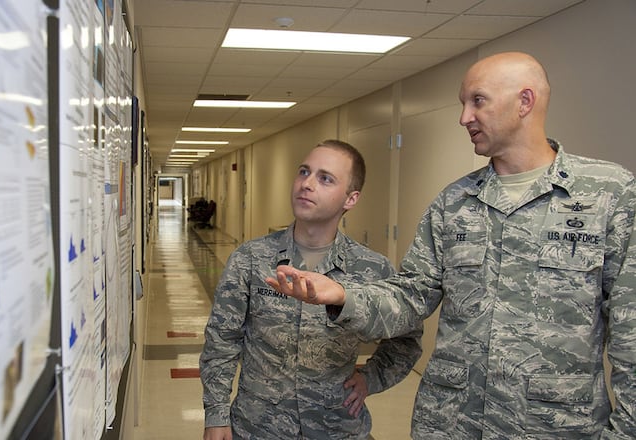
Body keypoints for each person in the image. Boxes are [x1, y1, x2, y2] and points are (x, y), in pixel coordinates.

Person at [266, 52, 636, 439]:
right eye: (463, 103)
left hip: (553, 425)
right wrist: (345, 296)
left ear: (525, 102)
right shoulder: (454, 202)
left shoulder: (607, 194)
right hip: (452, 423)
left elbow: (630, 331)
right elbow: (412, 297)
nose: (464, 117)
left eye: (478, 100)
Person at [199, 140, 423, 439]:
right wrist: (216, 414)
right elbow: (222, 340)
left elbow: (407, 337)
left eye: (325, 178)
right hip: (258, 427)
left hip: (336, 427)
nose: (307, 183)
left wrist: (371, 378)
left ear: (350, 198)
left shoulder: (372, 269)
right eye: (304, 172)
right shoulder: (252, 259)